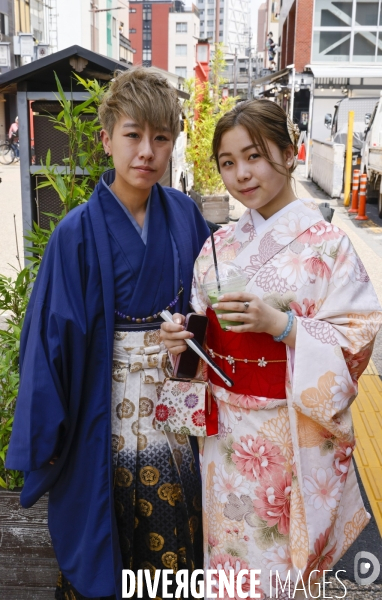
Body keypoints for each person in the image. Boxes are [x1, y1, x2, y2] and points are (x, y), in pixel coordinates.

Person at [161, 99, 382, 599]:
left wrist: (282, 325)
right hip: (227, 440)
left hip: (288, 434)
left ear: (290, 152)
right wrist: (184, 340)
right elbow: (203, 336)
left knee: (280, 564)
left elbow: (359, 333)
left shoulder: (329, 246)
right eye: (228, 162)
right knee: (229, 558)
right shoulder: (218, 246)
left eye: (254, 156)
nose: (241, 174)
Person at [6, 68, 209, 600]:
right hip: (103, 405)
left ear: (173, 143)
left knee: (177, 529)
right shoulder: (76, 232)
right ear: (106, 139)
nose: (146, 151)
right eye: (133, 134)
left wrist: (193, 332)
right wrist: (46, 435)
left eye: (161, 137)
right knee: (107, 528)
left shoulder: (187, 216)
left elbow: (211, 303)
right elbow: (52, 338)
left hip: (172, 405)